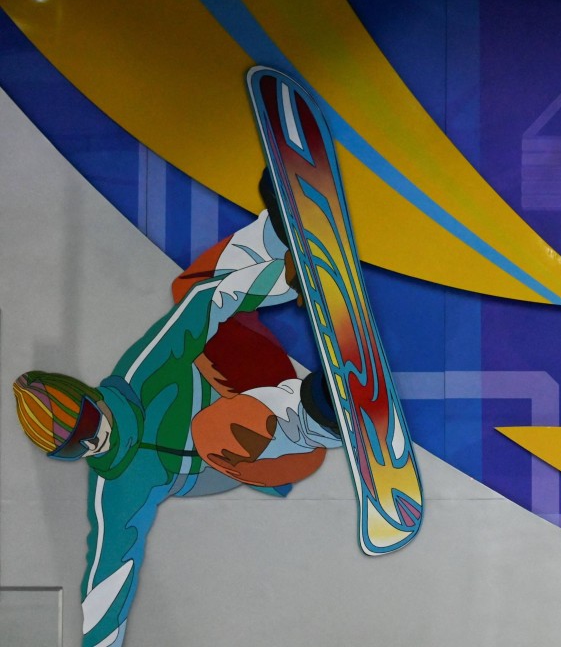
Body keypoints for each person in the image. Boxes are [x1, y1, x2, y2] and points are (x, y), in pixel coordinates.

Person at [11, 173, 341, 647]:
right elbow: (108, 582)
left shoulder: (140, 375)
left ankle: (279, 235)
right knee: (212, 432)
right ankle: (319, 414)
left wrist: (286, 274)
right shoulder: (118, 489)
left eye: (84, 424)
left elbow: (209, 303)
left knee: (189, 291)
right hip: (272, 447)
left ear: (88, 397)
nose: (91, 442)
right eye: (73, 448)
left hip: (246, 372)